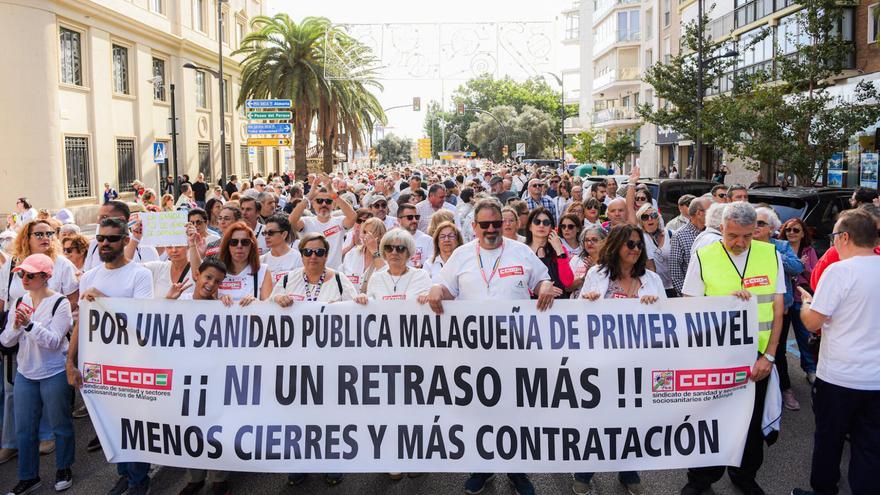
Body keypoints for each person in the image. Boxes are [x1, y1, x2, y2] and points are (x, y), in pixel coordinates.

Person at [420, 199, 561, 495]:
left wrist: (546, 286)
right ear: (474, 228)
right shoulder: (461, 255)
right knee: (480, 413)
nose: (491, 229)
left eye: (496, 223)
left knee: (516, 412)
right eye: (484, 225)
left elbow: (543, 280)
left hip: (517, 350)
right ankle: (481, 467)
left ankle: (517, 470)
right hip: (475, 353)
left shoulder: (520, 251)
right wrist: (436, 289)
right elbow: (446, 288)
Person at [680, 201, 785, 495]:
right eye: (733, 235)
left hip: (758, 358)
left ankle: (744, 475)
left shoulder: (769, 254)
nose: (740, 243)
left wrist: (771, 355)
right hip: (717, 356)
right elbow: (691, 307)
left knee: (750, 423)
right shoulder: (704, 255)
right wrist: (726, 304)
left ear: (756, 231)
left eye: (747, 236)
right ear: (721, 229)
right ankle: (701, 478)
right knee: (709, 418)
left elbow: (778, 309)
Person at [790, 209, 880, 495]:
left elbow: (813, 323)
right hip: (876, 380)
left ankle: (823, 491)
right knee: (870, 446)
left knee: (829, 441)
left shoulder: (839, 271)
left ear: (844, 237)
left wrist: (806, 303)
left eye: (833, 237)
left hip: (839, 377)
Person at [65, 217, 154, 495]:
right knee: (110, 424)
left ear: (125, 240)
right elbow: (82, 323)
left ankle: (139, 480)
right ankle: (124, 473)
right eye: (101, 238)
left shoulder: (140, 275)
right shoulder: (90, 276)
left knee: (133, 424)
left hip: (131, 363)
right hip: (97, 364)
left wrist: (103, 299)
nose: (104, 243)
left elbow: (142, 325)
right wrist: (70, 361)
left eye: (112, 238)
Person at [574, 224, 665, 495]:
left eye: (639, 245)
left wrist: (655, 305)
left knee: (632, 419)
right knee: (596, 420)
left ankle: (628, 471)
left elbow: (667, 321)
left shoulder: (652, 279)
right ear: (616, 247)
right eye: (630, 245)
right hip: (601, 362)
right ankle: (584, 472)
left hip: (638, 363)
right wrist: (588, 300)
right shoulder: (597, 275)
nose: (636, 250)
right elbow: (577, 320)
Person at [1, 254, 75, 495]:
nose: (24, 278)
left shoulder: (60, 302)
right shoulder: (20, 300)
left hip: (53, 372)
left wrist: (31, 325)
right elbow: (5, 340)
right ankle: (28, 477)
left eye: (30, 275)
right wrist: (15, 326)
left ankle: (64, 468)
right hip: (25, 372)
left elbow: (55, 342)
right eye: (22, 274)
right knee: (24, 429)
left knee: (60, 425)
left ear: (46, 277)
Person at [167, 258, 231, 495]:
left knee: (215, 429)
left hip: (212, 380)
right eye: (208, 277)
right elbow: (152, 325)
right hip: (184, 379)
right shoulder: (178, 300)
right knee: (190, 429)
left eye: (217, 282)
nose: (211, 284)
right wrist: (166, 302)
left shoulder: (220, 307)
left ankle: (218, 479)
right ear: (197, 275)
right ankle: (194, 478)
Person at [777, 217, 819, 394]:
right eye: (788, 230)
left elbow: (814, 274)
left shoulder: (808, 250)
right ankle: (783, 378)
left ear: (803, 233)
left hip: (801, 298)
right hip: (785, 299)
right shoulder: (780, 248)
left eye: (796, 230)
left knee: (804, 336)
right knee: (780, 340)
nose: (791, 233)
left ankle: (810, 370)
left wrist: (803, 266)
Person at [288, 176, 357, 270]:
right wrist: (309, 197)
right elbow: (291, 221)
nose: (324, 204)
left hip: (334, 274)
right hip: (311, 273)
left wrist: (333, 194)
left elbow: (353, 217)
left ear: (333, 204)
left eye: (328, 201)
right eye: (319, 201)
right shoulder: (306, 222)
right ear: (313, 204)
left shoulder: (339, 221)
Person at [356, 229, 432, 303]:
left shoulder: (421, 276)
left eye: (400, 248)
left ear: (408, 252)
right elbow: (370, 307)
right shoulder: (376, 278)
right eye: (389, 248)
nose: (394, 252)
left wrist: (427, 297)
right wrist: (362, 299)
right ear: (384, 252)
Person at [208, 222, 272, 305]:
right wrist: (218, 301)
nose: (239, 246)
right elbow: (207, 304)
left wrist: (257, 303)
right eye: (234, 242)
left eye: (245, 242)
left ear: (252, 246)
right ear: (227, 246)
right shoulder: (217, 271)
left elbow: (269, 309)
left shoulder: (263, 271)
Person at [527, 207, 574, 296]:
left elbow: (568, 282)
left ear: (551, 228)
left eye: (546, 223)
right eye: (537, 222)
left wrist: (559, 250)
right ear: (530, 226)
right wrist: (540, 289)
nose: (541, 225)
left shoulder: (560, 249)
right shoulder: (523, 250)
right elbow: (518, 282)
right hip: (531, 304)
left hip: (558, 304)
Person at [669, 197, 709, 296]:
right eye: (711, 211)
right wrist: (689, 297)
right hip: (692, 298)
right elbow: (676, 273)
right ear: (699, 213)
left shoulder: (714, 233)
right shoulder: (679, 235)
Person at [340, 217, 386, 293]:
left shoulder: (388, 257)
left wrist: (374, 251)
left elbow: (387, 279)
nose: (365, 236)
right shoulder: (351, 254)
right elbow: (341, 280)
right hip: (350, 302)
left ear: (380, 236)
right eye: (364, 232)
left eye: (370, 233)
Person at [637, 203, 674, 297]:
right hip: (653, 288)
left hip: (673, 287)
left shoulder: (672, 235)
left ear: (658, 218)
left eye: (653, 215)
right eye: (645, 217)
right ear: (641, 221)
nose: (650, 219)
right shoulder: (640, 238)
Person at [260, 214, 303, 288]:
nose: (267, 236)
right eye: (265, 233)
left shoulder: (298, 258)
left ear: (284, 234)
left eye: (271, 233)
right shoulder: (261, 260)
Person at [568, 226, 606, 296]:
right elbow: (567, 288)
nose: (589, 243)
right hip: (577, 303)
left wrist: (594, 270)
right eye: (586, 240)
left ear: (604, 241)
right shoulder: (576, 259)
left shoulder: (609, 261)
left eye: (594, 240)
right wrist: (584, 277)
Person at [395, 203, 433, 268]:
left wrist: (421, 267)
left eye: (416, 217)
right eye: (410, 217)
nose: (414, 220)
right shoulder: (391, 239)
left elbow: (431, 266)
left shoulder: (428, 240)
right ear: (399, 220)